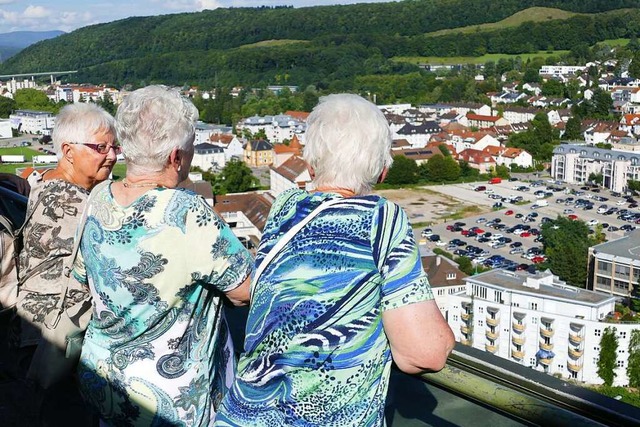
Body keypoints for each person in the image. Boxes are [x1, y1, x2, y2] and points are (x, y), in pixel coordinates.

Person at [216, 93, 455, 426]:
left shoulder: (284, 208)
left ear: (311, 164)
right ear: (383, 169)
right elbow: (423, 354)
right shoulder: (381, 219)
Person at [72, 85, 253, 426]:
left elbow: (83, 277)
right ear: (176, 157)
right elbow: (245, 290)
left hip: (102, 381)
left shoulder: (97, 197)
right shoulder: (187, 212)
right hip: (168, 401)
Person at [11, 102, 117, 426]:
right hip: (58, 351)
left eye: (115, 146)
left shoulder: (41, 182)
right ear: (68, 152)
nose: (112, 156)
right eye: (101, 147)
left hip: (27, 339)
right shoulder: (81, 206)